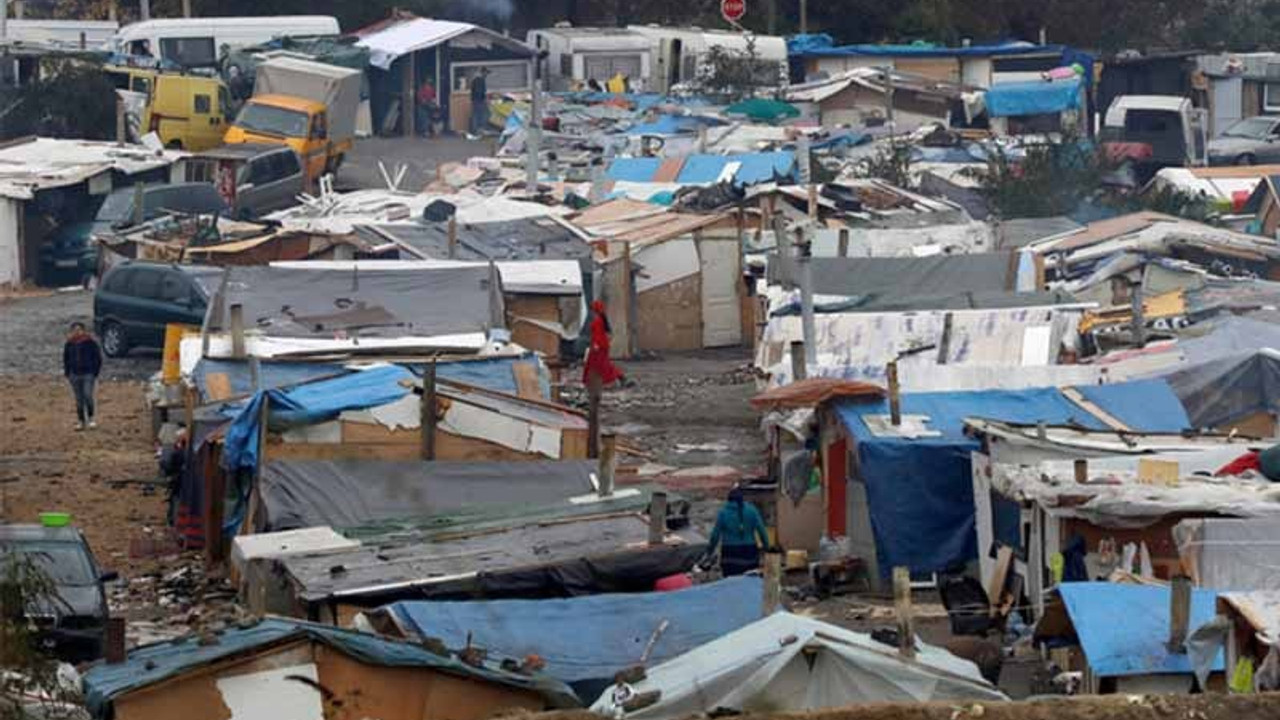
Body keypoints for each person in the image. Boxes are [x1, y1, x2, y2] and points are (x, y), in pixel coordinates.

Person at [704, 487, 771, 577]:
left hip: (730, 555)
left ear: (728, 500)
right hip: (750, 554)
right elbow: (762, 532)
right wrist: (767, 549)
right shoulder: (752, 510)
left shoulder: (723, 513)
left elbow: (715, 536)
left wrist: (709, 552)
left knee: (730, 584)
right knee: (751, 581)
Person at [62, 322, 102, 430]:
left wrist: (94, 372)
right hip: (74, 375)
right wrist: (68, 373)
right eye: (75, 330)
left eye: (79, 330)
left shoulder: (90, 343)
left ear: (84, 331)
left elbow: (97, 358)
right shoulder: (69, 344)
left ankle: (91, 418)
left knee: (88, 395)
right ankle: (81, 420)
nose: (77, 332)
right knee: (79, 399)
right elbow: (66, 359)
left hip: (88, 374)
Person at [582, 300, 624, 387]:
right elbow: (605, 334)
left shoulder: (598, 320)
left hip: (598, 346)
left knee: (597, 365)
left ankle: (616, 376)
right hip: (601, 346)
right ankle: (618, 376)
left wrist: (596, 345)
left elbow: (598, 334)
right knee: (602, 364)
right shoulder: (602, 319)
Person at [469, 68, 489, 136]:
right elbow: (479, 91)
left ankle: (476, 130)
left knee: (475, 114)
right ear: (483, 72)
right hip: (479, 100)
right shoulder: (480, 80)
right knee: (481, 115)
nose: (487, 75)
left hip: (475, 100)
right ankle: (479, 130)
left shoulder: (475, 80)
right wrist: (483, 99)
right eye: (486, 73)